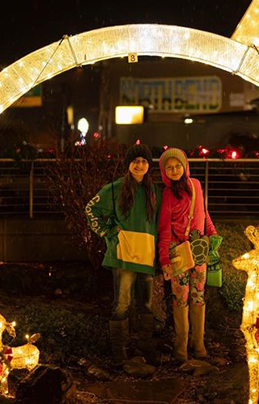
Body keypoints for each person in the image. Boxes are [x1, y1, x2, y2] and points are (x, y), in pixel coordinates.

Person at [85, 144, 161, 364]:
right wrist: (108, 232)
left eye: (144, 161)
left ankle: (145, 346)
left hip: (147, 254)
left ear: (149, 165)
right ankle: (120, 351)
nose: (139, 165)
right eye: (135, 160)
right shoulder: (115, 188)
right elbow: (91, 210)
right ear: (128, 164)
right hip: (123, 254)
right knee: (122, 304)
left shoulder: (154, 192)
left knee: (146, 305)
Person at [158, 147, 217, 362]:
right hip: (178, 253)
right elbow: (164, 229)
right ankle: (181, 347)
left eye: (177, 166)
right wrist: (164, 258)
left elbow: (203, 211)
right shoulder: (167, 194)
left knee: (198, 296)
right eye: (169, 167)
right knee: (180, 298)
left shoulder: (196, 185)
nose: (174, 170)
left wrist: (212, 232)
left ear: (185, 166)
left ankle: (198, 343)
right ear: (164, 172)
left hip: (199, 249)